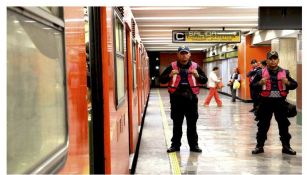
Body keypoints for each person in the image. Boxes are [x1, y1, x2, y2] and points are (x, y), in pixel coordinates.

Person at [160, 45, 208, 153]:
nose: (184, 55)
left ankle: (194, 146)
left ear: (189, 54)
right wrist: (169, 75)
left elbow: (205, 80)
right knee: (177, 124)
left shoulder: (196, 66)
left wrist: (197, 76)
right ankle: (175, 146)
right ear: (178, 55)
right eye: (181, 53)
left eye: (186, 53)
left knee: (192, 124)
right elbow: (161, 80)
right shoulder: (172, 66)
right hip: (176, 100)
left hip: (191, 101)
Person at [251, 51, 298, 155]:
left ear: (278, 60)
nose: (273, 61)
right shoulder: (260, 73)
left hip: (280, 103)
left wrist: (288, 83)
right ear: (267, 60)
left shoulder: (285, 72)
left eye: (275, 59)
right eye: (270, 59)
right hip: (265, 103)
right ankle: (259, 146)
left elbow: (295, 84)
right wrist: (260, 83)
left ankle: (286, 147)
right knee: (263, 126)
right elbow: (252, 86)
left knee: (283, 125)